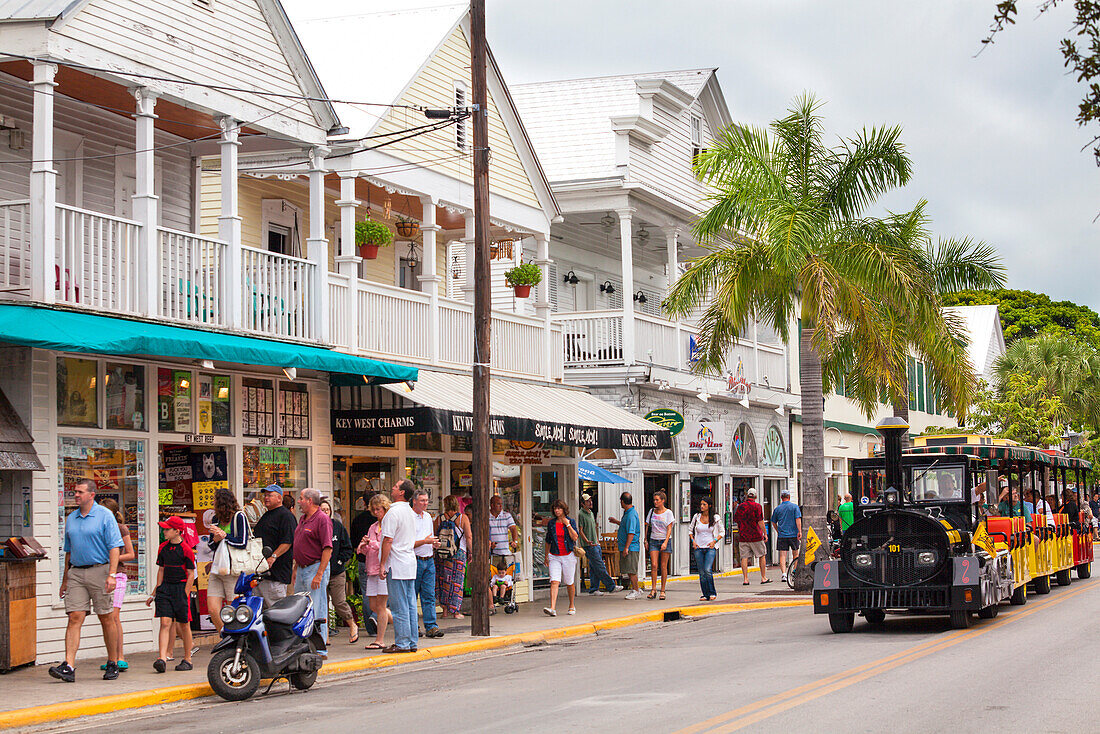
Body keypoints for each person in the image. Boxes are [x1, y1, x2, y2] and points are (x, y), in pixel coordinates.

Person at [50, 479, 124, 683]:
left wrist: (112, 574)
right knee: (74, 617)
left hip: (99, 570)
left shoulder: (104, 515)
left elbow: (115, 547)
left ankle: (112, 662)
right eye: (75, 491)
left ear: (92, 495)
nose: (76, 495)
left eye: (80, 492)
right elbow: (68, 550)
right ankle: (69, 665)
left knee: (106, 617)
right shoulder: (71, 518)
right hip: (76, 572)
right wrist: (65, 579)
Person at [147, 516, 195, 673]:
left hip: (180, 588)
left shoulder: (186, 549)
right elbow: (161, 570)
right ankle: (161, 658)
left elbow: (190, 574)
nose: (164, 531)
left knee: (184, 624)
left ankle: (187, 658)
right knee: (165, 622)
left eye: (167, 529)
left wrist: (185, 594)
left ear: (177, 531)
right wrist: (156, 591)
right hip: (165, 588)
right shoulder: (163, 548)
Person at [379, 479, 419, 653]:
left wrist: (382, 564)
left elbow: (388, 539)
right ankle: (412, 641)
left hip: (396, 563)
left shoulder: (393, 513)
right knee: (410, 604)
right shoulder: (410, 512)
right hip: (409, 562)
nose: (393, 488)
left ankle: (402, 642)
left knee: (399, 605)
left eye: (395, 486)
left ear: (402, 492)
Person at [290, 488, 333, 644]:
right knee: (301, 607)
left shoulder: (322, 519)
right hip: (302, 569)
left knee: (317, 607)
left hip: (314, 568)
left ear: (310, 501)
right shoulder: (302, 519)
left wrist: (319, 574)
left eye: (301, 498)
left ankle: (319, 645)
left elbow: (327, 548)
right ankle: (304, 643)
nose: (299, 501)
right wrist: (296, 568)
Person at [97, 498, 134, 674]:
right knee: (106, 616)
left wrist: (113, 558)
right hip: (101, 574)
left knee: (114, 616)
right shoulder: (99, 528)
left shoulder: (120, 528)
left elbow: (130, 553)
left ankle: (120, 657)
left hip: (118, 575)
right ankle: (112, 657)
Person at [205, 488, 249, 633]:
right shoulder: (215, 519)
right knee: (212, 608)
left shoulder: (239, 517)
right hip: (218, 567)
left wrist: (225, 536)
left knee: (232, 608)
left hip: (233, 569)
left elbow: (242, 542)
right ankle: (223, 635)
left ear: (222, 502)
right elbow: (211, 545)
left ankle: (235, 636)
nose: (213, 503)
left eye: (215, 500)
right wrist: (216, 539)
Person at [320, 499, 358, 644]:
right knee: (322, 603)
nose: (324, 512)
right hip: (320, 572)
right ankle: (325, 635)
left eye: (327, 510)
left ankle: (352, 625)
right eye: (322, 510)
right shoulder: (316, 527)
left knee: (339, 601)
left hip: (336, 572)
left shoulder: (337, 527)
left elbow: (347, 548)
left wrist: (340, 561)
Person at [358, 493, 394, 650]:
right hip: (371, 568)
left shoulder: (389, 525)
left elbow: (387, 545)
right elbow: (369, 550)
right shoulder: (373, 527)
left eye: (378, 509)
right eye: (373, 509)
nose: (376, 512)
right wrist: (364, 546)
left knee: (381, 605)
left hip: (383, 569)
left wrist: (371, 543)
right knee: (373, 605)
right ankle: (399, 619)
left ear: (385, 508)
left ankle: (380, 639)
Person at [408, 487, 444, 639]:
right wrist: (425, 541)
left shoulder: (428, 517)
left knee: (429, 595)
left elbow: (429, 537)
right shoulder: (408, 517)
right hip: (414, 560)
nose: (425, 503)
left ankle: (431, 626)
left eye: (427, 501)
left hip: (428, 559)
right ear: (414, 501)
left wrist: (433, 544)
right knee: (412, 596)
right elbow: (407, 543)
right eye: (422, 500)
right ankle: (413, 626)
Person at [252, 484, 296, 608]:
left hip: (276, 575)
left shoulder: (286, 516)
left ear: (279, 498)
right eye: (265, 495)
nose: (266, 498)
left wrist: (274, 556)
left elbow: (288, 541)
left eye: (270, 495)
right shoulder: (266, 515)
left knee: (276, 612)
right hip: (261, 573)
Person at [435, 494, 472, 619]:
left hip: (442, 554)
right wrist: (470, 552)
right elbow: (468, 537)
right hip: (459, 553)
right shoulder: (463, 518)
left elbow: (435, 536)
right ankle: (455, 611)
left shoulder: (439, 519)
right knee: (457, 582)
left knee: (444, 581)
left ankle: (445, 611)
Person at [577, 493, 621, 595]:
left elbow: (594, 527)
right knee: (600, 565)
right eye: (587, 501)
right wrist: (586, 540)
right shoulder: (581, 514)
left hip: (595, 543)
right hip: (588, 545)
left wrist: (597, 540)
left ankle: (594, 588)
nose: (590, 502)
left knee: (594, 567)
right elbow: (580, 530)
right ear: (582, 504)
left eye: (590, 500)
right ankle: (611, 586)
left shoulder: (591, 513)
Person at [543, 499, 580, 616]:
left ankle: (571, 605)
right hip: (554, 556)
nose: (557, 510)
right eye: (555, 508)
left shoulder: (571, 521)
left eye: (559, 508)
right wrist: (546, 556)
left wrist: (567, 524)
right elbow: (548, 541)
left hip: (568, 555)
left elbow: (575, 537)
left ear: (564, 509)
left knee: (569, 582)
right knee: (554, 581)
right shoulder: (551, 523)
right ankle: (552, 607)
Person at [688, 496, 724, 601]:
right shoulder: (696, 517)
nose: (702, 506)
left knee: (708, 570)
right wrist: (693, 541)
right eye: (701, 504)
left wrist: (714, 541)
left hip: (710, 548)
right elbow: (690, 530)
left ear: (709, 506)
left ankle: (712, 592)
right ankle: (705, 594)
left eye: (704, 504)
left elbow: (722, 532)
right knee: (701, 572)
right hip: (698, 547)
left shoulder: (715, 518)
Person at [609, 492, 642, 599]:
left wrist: (627, 547)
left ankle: (636, 590)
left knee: (631, 570)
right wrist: (616, 522)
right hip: (626, 546)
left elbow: (631, 532)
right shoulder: (628, 513)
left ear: (623, 501)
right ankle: (635, 588)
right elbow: (625, 526)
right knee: (629, 569)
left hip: (631, 547)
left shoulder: (631, 514)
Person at [734, 488, 769, 585]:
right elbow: (760, 521)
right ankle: (763, 577)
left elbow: (737, 520)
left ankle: (745, 579)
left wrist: (741, 529)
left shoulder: (740, 506)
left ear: (747, 495)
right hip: (756, 536)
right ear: (755, 496)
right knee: (762, 555)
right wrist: (765, 533)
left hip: (744, 536)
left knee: (744, 557)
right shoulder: (757, 506)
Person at [646, 490, 674, 600]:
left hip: (664, 540)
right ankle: (653, 589)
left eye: (657, 500)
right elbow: (647, 525)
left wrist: (666, 542)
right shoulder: (652, 511)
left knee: (663, 566)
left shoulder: (668, 513)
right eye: (654, 500)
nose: (655, 502)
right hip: (653, 539)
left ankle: (663, 590)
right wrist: (645, 540)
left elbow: (669, 528)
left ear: (663, 501)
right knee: (653, 565)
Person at [770, 489, 802, 584]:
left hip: (782, 535)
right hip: (793, 534)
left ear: (781, 498)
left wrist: (778, 530)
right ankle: (794, 571)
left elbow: (773, 522)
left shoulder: (777, 509)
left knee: (782, 555)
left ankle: (784, 574)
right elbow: (798, 520)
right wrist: (799, 531)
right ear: (789, 497)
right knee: (795, 554)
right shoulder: (795, 507)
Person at [489, 494, 520, 572]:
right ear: (492, 505)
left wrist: (515, 541)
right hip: (493, 554)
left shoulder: (507, 515)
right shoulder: (486, 516)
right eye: (498, 504)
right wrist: (489, 543)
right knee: (493, 577)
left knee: (507, 578)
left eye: (501, 504)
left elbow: (513, 528)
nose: (501, 506)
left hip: (505, 553)